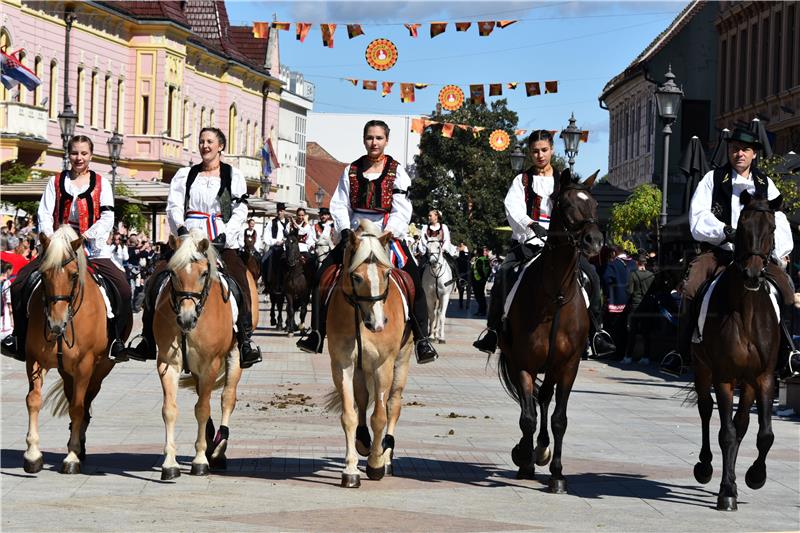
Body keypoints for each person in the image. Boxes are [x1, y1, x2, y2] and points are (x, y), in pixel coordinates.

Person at [295, 119, 439, 364]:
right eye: (370, 138)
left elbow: (402, 208)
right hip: (355, 234)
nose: (374, 142)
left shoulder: (397, 171)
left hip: (386, 236)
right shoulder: (350, 170)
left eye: (379, 138)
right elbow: (340, 204)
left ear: (386, 141)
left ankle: (422, 339)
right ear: (364, 140)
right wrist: (344, 231)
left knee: (414, 277)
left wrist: (389, 232)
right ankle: (317, 333)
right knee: (322, 275)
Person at [661, 127, 800, 377]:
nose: (739, 154)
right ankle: (681, 352)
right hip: (719, 252)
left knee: (787, 291)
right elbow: (698, 216)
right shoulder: (712, 179)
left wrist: (778, 252)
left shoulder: (765, 183)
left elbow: (777, 217)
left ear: (754, 154)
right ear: (729, 151)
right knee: (692, 287)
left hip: (756, 255)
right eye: (735, 149)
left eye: (745, 150)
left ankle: (787, 351)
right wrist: (725, 231)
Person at [123, 127, 262, 368]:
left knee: (239, 278)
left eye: (210, 141)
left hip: (219, 238)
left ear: (220, 146)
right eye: (201, 141)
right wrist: (181, 229)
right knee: (158, 275)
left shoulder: (232, 175)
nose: (205, 146)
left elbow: (239, 209)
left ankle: (245, 338)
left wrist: (224, 234)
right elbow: (174, 205)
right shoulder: (185, 175)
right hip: (188, 238)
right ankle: (147, 337)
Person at [472, 130, 616, 356]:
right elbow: (513, 208)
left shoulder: (564, 182)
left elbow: (576, 208)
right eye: (535, 151)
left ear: (552, 150)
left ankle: (597, 332)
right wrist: (530, 224)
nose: (540, 155)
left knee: (592, 276)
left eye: (544, 150)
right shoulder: (522, 180)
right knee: (504, 273)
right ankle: (493, 331)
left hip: (560, 244)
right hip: (528, 241)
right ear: (530, 154)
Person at [1, 135, 132, 362]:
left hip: (90, 246)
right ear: (68, 154)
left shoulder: (102, 183)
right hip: (59, 247)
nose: (78, 158)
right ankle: (19, 338)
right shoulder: (55, 181)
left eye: (83, 153)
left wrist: (87, 235)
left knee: (122, 287)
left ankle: (116, 341)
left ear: (90, 155)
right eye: (74, 153)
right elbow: (44, 212)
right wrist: (50, 240)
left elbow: (108, 216)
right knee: (20, 283)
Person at [624, 253, 655, 364]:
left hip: (636, 305)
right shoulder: (651, 275)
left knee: (633, 331)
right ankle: (646, 357)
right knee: (646, 332)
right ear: (645, 264)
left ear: (637, 263)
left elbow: (630, 291)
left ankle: (628, 356)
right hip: (647, 306)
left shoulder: (633, 275)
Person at [418, 209, 459, 278]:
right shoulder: (425, 227)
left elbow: (447, 239)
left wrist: (443, 249)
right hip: (429, 251)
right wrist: (429, 248)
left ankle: (459, 282)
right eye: (428, 216)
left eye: (430, 216)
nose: (429, 217)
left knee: (453, 264)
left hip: (441, 251)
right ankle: (418, 285)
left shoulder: (444, 227)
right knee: (420, 267)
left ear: (436, 216)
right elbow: (423, 239)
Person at [262, 202, 290, 293]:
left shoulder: (288, 223)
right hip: (274, 248)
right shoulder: (271, 222)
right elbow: (266, 236)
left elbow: (290, 236)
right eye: (278, 211)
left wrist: (284, 241)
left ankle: (288, 285)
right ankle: (267, 284)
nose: (279, 212)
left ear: (284, 211)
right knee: (263, 261)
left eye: (281, 211)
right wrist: (275, 242)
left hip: (284, 249)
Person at [471, 246, 491, 316]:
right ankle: (481, 310)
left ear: (478, 253)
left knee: (479, 296)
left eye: (477, 252)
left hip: (478, 280)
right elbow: (489, 269)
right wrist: (486, 278)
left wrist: (482, 278)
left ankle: (482, 311)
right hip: (482, 280)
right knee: (481, 296)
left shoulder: (479, 260)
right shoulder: (485, 259)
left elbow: (479, 270)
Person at [456, 241, 471, 309]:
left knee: (461, 291)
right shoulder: (467, 260)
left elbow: (456, 269)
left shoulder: (457, 260)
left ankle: (461, 304)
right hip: (467, 276)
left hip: (461, 277)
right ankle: (467, 304)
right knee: (468, 291)